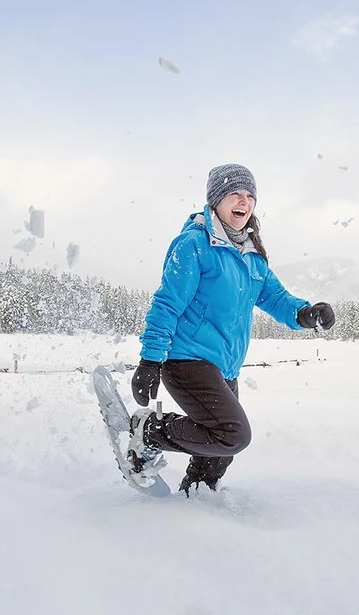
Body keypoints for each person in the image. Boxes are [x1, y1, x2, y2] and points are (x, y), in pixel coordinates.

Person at [129, 163, 336, 495]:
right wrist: (150, 361)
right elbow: (167, 304)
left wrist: (306, 313)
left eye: (250, 196)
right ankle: (149, 431)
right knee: (232, 434)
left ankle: (196, 500)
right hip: (186, 361)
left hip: (224, 367)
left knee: (218, 454)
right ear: (216, 200)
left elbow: (277, 298)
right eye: (235, 194)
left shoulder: (252, 257)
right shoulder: (194, 245)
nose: (244, 201)